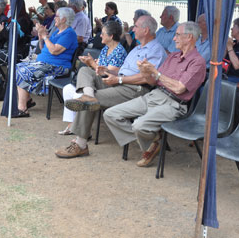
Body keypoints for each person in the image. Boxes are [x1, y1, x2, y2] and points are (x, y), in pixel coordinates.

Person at [54, 14, 166, 159]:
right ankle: (88, 95)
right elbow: (122, 71)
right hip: (120, 82)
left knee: (90, 101)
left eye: (136, 26)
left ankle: (80, 144)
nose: (133, 28)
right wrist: (107, 71)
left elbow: (147, 78)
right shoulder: (137, 49)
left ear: (145, 30)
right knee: (85, 70)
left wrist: (119, 79)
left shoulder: (155, 50)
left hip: (135, 89)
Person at [104, 21, 206, 167]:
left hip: (175, 104)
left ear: (189, 37)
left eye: (177, 35)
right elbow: (153, 82)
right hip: (155, 95)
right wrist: (145, 71)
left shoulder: (197, 62)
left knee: (139, 125)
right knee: (110, 114)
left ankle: (148, 140)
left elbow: (179, 88)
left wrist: (155, 73)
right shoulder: (173, 57)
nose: (174, 38)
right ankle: (152, 142)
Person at [59, 21, 127, 135]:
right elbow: (98, 67)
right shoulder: (106, 48)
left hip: (108, 84)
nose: (100, 35)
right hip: (95, 81)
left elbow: (107, 74)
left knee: (78, 93)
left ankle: (84, 131)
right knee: (67, 89)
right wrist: (90, 62)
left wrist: (91, 63)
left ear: (111, 36)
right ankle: (71, 125)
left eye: (103, 33)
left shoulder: (119, 52)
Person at [14, 7, 78, 118]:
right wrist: (40, 37)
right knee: (17, 67)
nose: (55, 18)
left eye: (57, 16)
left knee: (23, 70)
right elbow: (43, 48)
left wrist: (44, 36)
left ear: (64, 19)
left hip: (57, 66)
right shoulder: (57, 32)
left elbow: (54, 51)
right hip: (44, 62)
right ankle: (27, 100)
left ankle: (22, 108)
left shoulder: (69, 33)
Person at [0, 3, 34, 82]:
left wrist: (2, 30)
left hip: (17, 52)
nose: (10, 7)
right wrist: (0, 30)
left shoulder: (22, 20)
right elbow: (9, 35)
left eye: (12, 5)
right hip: (9, 48)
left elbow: (16, 39)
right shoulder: (14, 18)